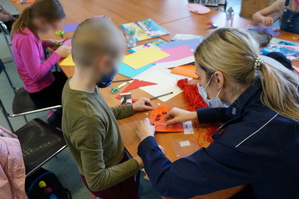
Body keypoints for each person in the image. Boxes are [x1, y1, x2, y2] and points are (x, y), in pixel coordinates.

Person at [135, 28, 299, 199]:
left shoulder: (245, 141)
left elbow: (168, 183)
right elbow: (250, 109)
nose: (197, 83)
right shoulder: (275, 79)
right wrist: (197, 115)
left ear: (218, 79)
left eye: (199, 77)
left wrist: (147, 141)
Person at [62, 17, 153, 199]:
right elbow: (97, 180)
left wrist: (131, 108)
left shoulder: (76, 83)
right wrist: (140, 161)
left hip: (111, 163)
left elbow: (101, 114)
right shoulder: (87, 119)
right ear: (103, 63)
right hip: (112, 181)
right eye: (117, 63)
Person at [11, 0, 70, 128]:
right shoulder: (26, 38)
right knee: (77, 91)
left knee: (71, 79)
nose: (55, 29)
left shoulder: (27, 29)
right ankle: (57, 119)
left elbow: (30, 49)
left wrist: (45, 42)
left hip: (45, 83)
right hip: (41, 92)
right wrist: (58, 54)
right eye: (54, 26)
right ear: (43, 21)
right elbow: (36, 75)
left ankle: (61, 112)